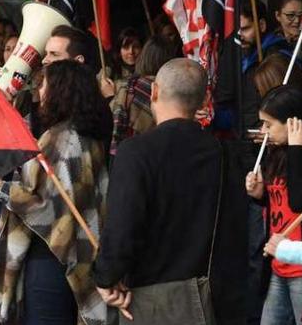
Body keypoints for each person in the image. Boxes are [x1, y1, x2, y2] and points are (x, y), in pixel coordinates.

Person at [93, 59, 220, 322]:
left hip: (151, 300)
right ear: (204, 99)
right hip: (212, 295)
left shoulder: (135, 152)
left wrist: (106, 276)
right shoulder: (223, 153)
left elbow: (122, 226)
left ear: (154, 92)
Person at [0, 59, 110, 324]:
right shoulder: (90, 137)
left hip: (51, 258)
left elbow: (46, 205)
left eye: (45, 84)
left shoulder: (59, 139)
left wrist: (0, 188)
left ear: (61, 91)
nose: (39, 90)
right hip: (80, 258)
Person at [245, 86, 302, 325]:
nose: (263, 131)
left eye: (269, 125)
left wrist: (298, 150)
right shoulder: (275, 154)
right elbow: (278, 204)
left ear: (293, 123)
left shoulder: (300, 154)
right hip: (277, 265)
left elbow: (300, 202)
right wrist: (259, 194)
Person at [109, 35, 181, 155]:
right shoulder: (172, 92)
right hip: (158, 155)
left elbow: (113, 120)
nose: (131, 51)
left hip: (126, 155)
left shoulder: (127, 86)